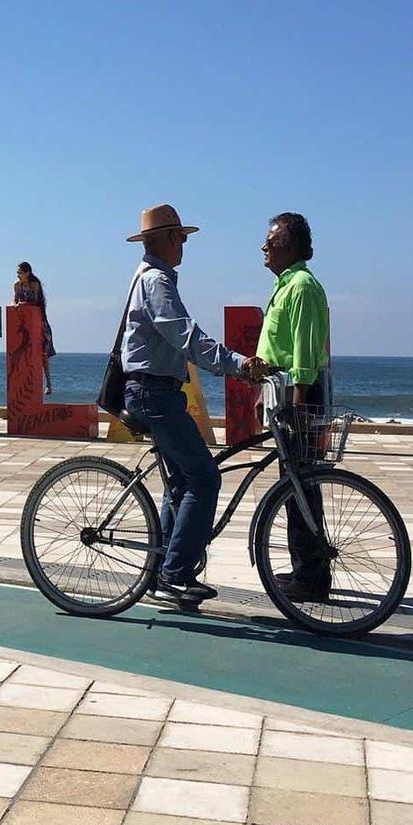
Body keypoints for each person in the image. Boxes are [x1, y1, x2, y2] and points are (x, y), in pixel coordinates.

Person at [121, 205, 265, 607]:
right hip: (153, 394)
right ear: (167, 239)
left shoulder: (152, 278)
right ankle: (174, 574)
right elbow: (186, 337)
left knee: (184, 482)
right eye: (181, 237)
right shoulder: (156, 282)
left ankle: (163, 571)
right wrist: (238, 364)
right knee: (204, 479)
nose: (184, 244)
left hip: (158, 391)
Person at [256, 212, 332, 602]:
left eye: (274, 240)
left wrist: (298, 406)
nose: (265, 246)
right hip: (283, 390)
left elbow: (303, 350)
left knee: (301, 485)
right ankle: (306, 566)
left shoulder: (301, 286)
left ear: (293, 247)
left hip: (298, 392)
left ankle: (313, 577)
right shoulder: (284, 285)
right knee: (293, 484)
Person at [13, 262, 56, 394]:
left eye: (20, 273)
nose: (19, 276)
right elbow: (14, 300)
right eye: (17, 273)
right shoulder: (17, 285)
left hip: (39, 321)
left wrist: (23, 304)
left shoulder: (34, 284)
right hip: (24, 324)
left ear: (27, 273)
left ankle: (48, 383)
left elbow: (36, 302)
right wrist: (15, 305)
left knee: (43, 354)